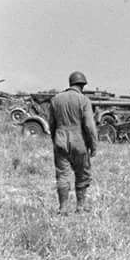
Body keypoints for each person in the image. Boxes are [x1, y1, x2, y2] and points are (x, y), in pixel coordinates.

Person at [48, 71, 98, 215]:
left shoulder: (56, 99)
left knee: (62, 175)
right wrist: (93, 146)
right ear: (83, 85)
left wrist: (55, 140)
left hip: (60, 140)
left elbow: (51, 124)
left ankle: (63, 208)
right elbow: (89, 126)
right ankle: (80, 207)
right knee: (82, 174)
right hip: (79, 142)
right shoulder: (83, 100)